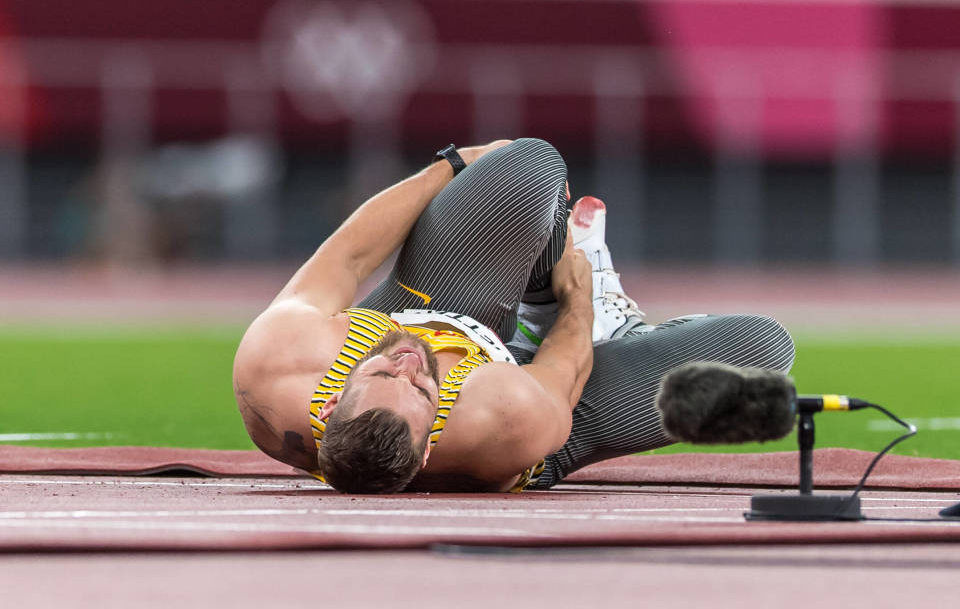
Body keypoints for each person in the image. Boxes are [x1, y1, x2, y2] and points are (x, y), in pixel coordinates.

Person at [232, 139, 795, 493]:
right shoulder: (508, 419)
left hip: (430, 305)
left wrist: (448, 167)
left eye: (382, 374)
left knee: (525, 167)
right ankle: (590, 320)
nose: (408, 363)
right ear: (431, 443)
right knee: (763, 351)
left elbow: (349, 254)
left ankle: (528, 305)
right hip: (550, 394)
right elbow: (567, 370)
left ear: (329, 403)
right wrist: (579, 297)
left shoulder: (276, 363)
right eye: (422, 388)